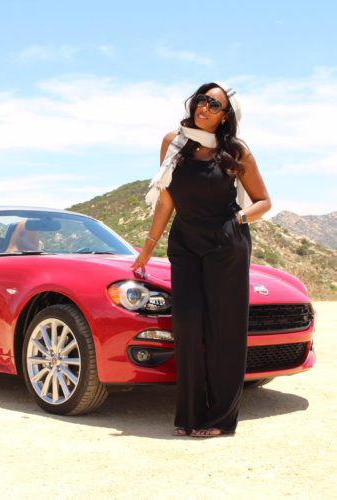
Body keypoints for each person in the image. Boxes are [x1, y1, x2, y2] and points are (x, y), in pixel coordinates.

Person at [131, 82, 271, 437]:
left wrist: (238, 220)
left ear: (225, 117)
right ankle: (190, 415)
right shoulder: (173, 143)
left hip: (226, 245)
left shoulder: (235, 151)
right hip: (186, 245)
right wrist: (147, 248)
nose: (203, 107)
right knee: (188, 327)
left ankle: (220, 419)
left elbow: (263, 201)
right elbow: (167, 200)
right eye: (200, 100)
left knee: (225, 330)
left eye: (213, 104)